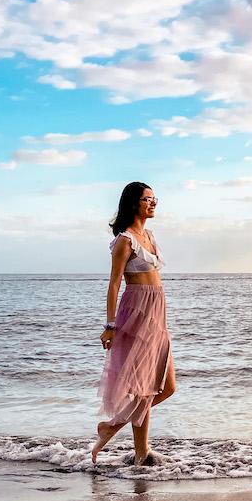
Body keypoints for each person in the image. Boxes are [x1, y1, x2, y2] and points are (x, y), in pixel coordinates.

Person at [90, 182, 177, 466]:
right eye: (146, 199)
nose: (153, 203)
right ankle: (141, 453)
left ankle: (114, 428)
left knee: (166, 387)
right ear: (132, 203)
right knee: (145, 388)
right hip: (137, 313)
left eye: (154, 198)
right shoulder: (125, 240)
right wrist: (110, 325)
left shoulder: (149, 235)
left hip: (157, 314)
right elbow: (114, 284)